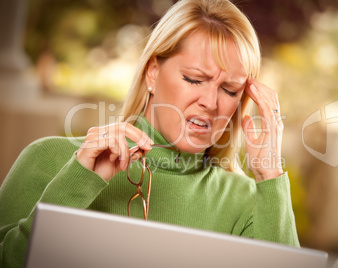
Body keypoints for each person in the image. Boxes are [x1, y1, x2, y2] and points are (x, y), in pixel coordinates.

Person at [0, 0, 299, 266]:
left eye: (229, 89)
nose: (210, 102)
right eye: (194, 79)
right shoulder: (49, 159)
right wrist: (75, 185)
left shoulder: (246, 202)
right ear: (153, 72)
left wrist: (269, 174)